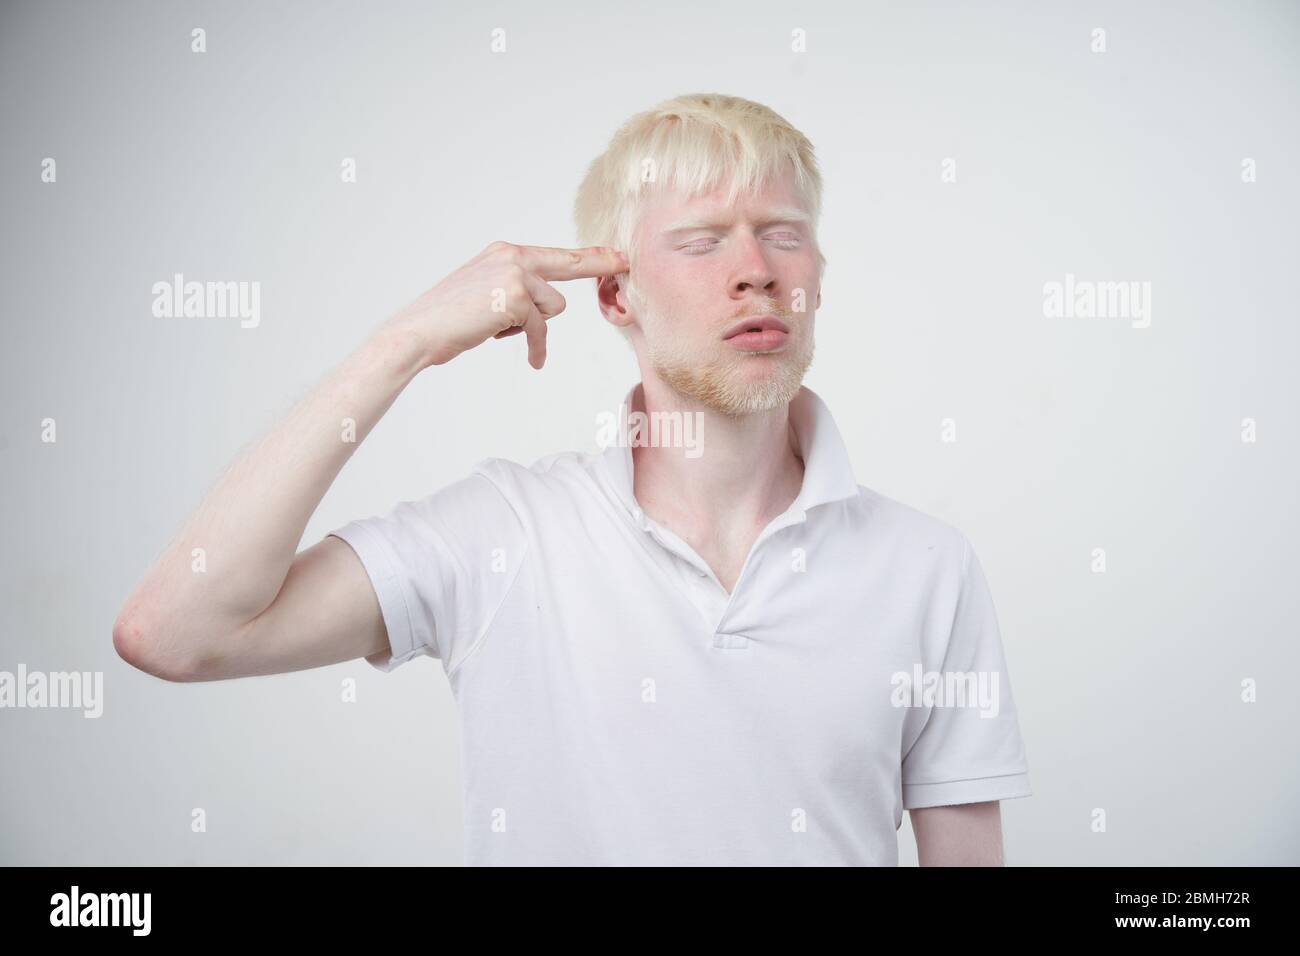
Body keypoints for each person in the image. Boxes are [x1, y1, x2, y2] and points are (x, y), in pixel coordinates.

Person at [113, 93, 1031, 866]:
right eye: (704, 241)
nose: (755, 272)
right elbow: (175, 633)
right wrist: (407, 342)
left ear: (817, 278)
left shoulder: (927, 567)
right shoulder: (502, 533)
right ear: (614, 294)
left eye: (783, 236)